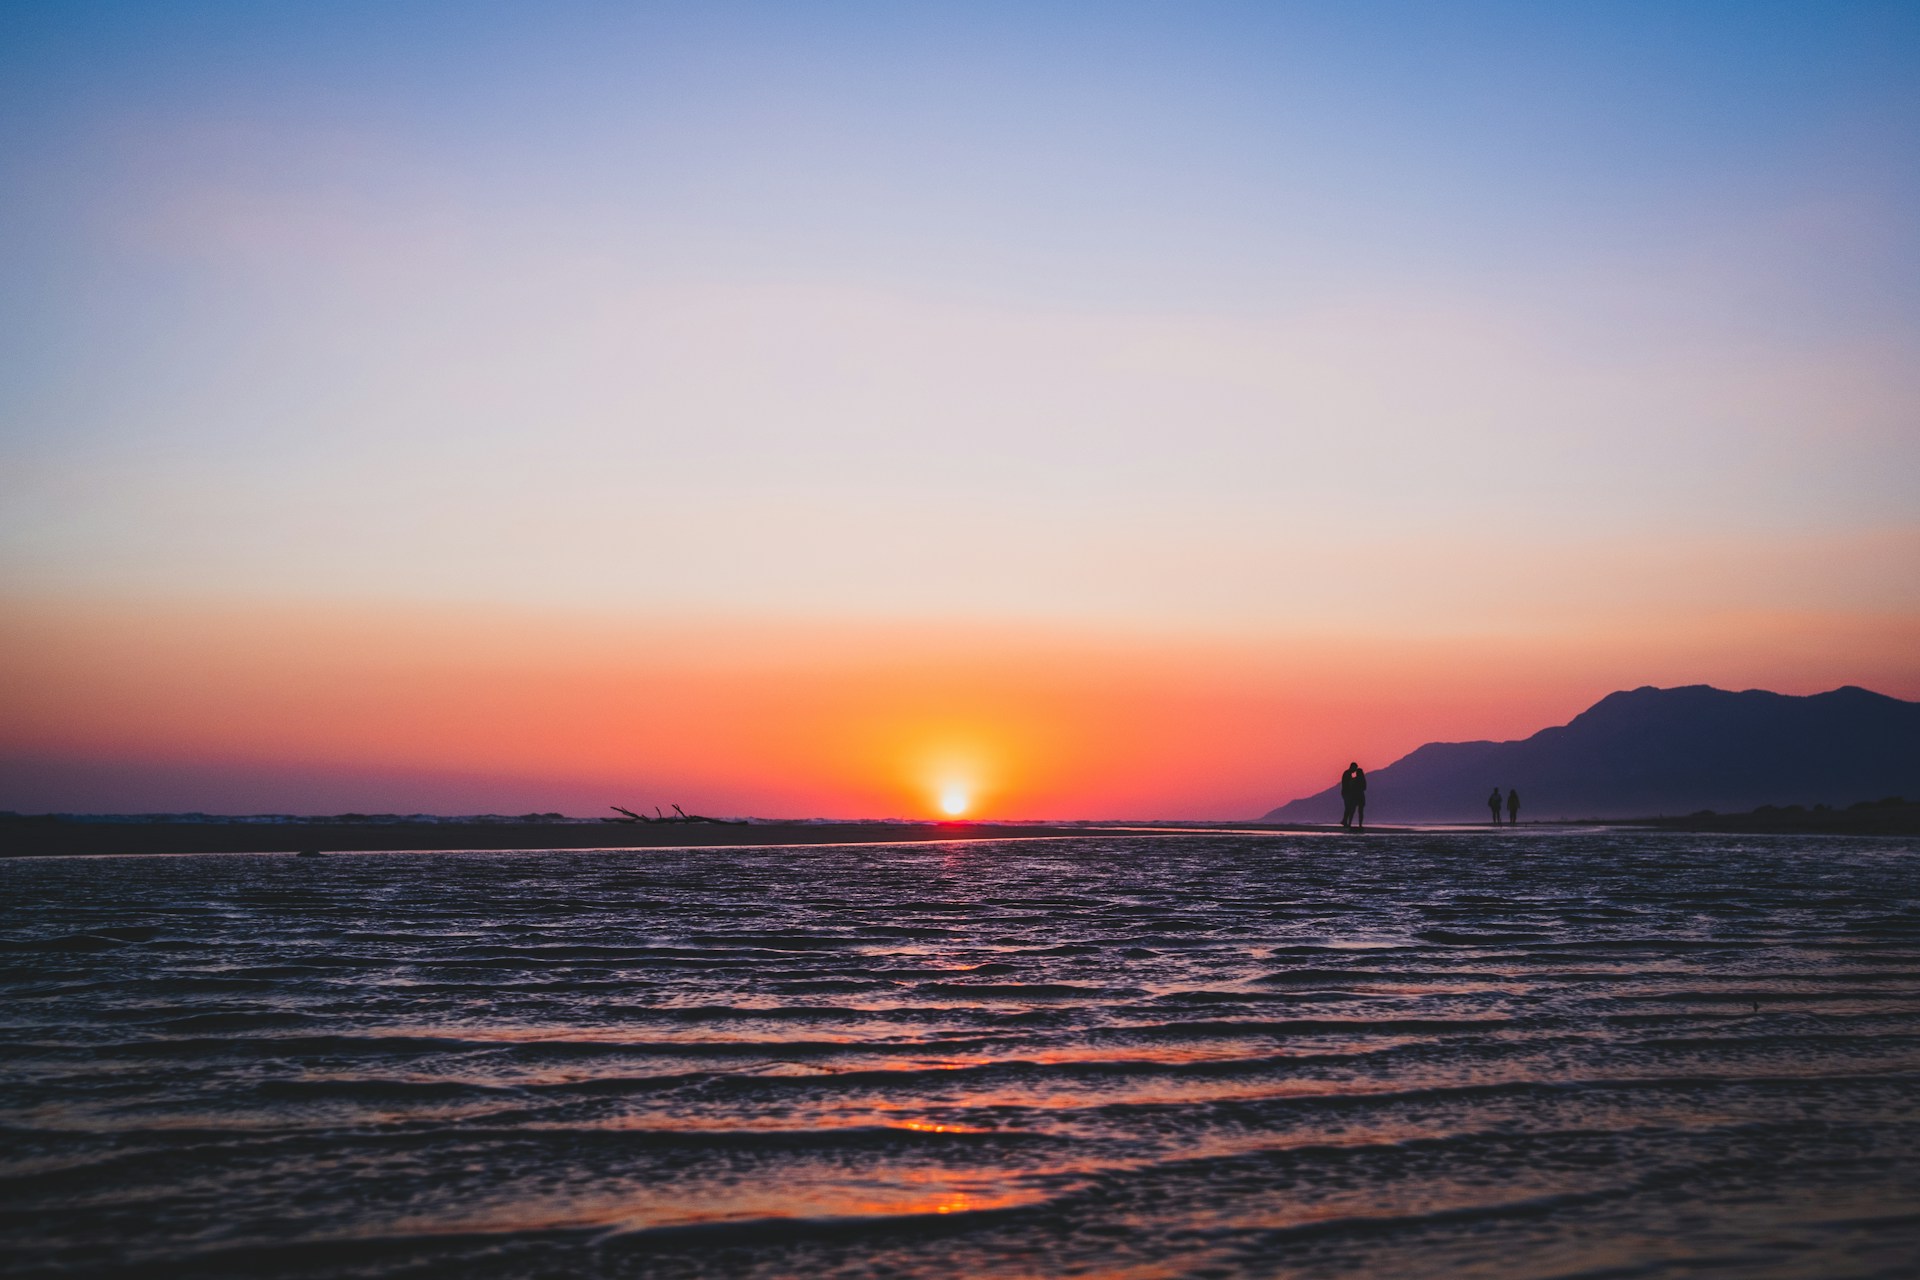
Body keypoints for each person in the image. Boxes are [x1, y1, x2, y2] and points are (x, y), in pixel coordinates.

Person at [1340, 762, 1367, 830]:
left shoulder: (1352, 778)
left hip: (1353, 795)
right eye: (1355, 769)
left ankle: (1346, 822)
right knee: (1354, 809)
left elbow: (1350, 785)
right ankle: (1347, 822)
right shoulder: (1349, 774)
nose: (1355, 771)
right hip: (1352, 794)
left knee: (1351, 809)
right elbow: (1364, 787)